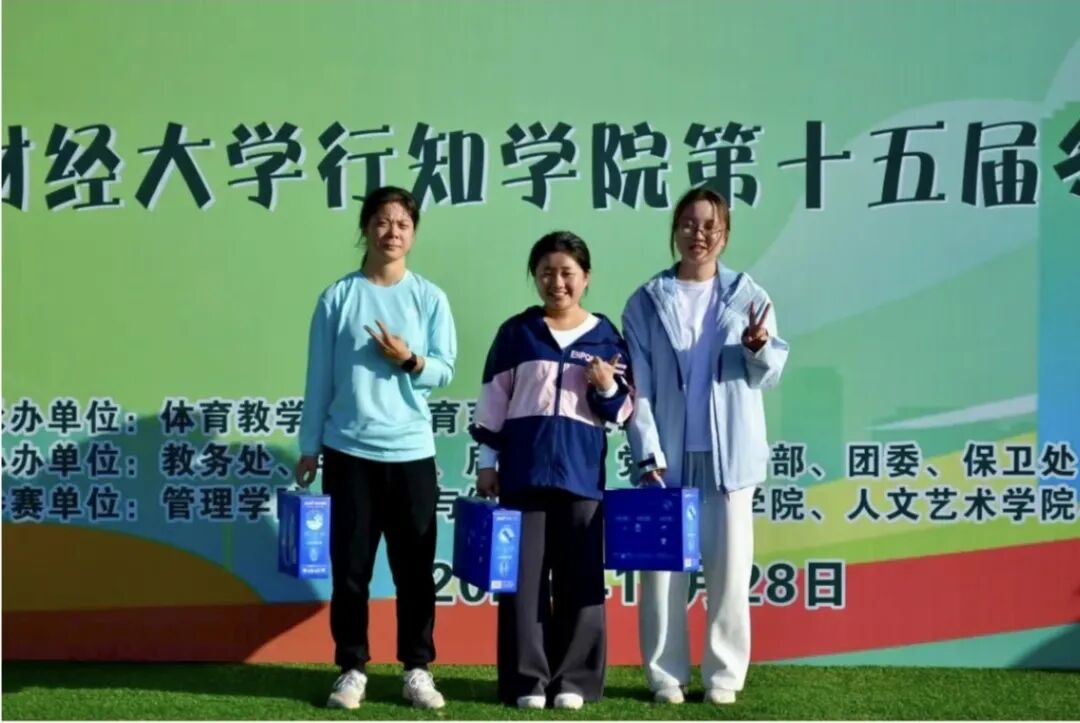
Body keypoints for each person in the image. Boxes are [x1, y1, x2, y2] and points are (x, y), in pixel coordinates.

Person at [622, 186, 788, 705]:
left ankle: (723, 675)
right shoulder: (647, 300)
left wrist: (758, 349)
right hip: (667, 457)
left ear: (726, 235)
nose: (700, 234)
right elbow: (637, 387)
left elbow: (768, 374)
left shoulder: (748, 296)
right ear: (675, 230)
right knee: (662, 574)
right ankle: (665, 675)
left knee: (730, 570)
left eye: (711, 226)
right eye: (690, 224)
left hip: (729, 456)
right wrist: (647, 452)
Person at [295, 186, 457, 710]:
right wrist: (309, 446)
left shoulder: (429, 297)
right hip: (348, 452)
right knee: (351, 569)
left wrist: (409, 359)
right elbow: (319, 378)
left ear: (414, 233)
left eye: (403, 224)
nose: (392, 232)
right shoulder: (337, 298)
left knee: (415, 570)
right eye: (383, 222)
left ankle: (417, 669)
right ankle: (352, 668)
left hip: (411, 452)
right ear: (366, 228)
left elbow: (444, 369)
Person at [470, 231, 633, 710]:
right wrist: (487, 464)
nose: (556, 282)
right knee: (523, 584)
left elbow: (623, 412)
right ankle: (527, 681)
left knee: (580, 580)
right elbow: (492, 404)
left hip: (582, 477)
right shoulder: (516, 334)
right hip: (523, 475)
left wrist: (606, 387)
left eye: (567, 273)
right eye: (546, 273)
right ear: (535, 277)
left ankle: (575, 682)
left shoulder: (606, 338)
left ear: (586, 278)